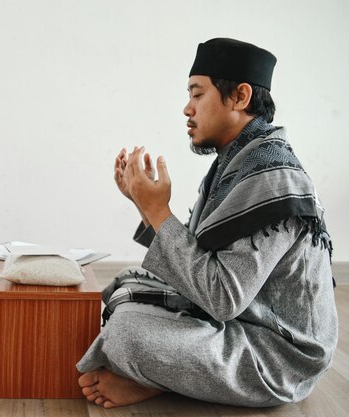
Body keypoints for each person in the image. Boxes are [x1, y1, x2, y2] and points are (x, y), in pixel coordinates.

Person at [77, 38, 338, 408]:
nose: (187, 108)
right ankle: (168, 377)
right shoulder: (235, 164)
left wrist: (157, 210)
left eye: (197, 95)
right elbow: (195, 261)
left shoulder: (273, 177)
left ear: (240, 96)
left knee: (126, 335)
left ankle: (161, 380)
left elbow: (221, 298)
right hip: (242, 325)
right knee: (124, 287)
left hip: (276, 356)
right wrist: (143, 204)